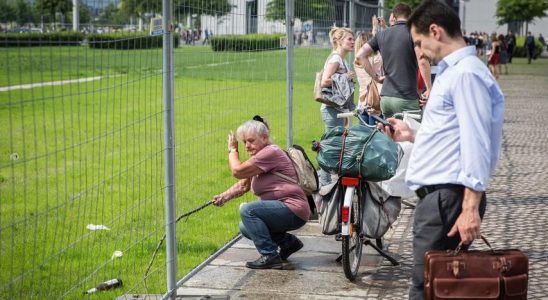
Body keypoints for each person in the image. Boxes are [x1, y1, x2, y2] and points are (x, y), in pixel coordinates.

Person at [377, 1, 504, 298]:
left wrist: (470, 208)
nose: (419, 51)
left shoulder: (465, 74)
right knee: (436, 286)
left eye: (419, 42)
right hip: (442, 198)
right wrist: (411, 134)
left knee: (426, 287)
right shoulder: (456, 72)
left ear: (435, 31)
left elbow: (476, 143)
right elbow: (453, 137)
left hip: (447, 198)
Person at [213, 116, 310, 269]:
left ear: (264, 138)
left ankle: (270, 255)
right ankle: (288, 243)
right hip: (285, 209)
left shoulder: (271, 152)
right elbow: (243, 185)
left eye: (251, 141)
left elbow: (237, 171)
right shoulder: (260, 158)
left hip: (293, 208)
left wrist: (232, 150)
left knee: (248, 210)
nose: (247, 146)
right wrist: (223, 197)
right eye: (244, 142)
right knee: (245, 226)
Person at [355, 3, 431, 119]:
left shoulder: (381, 35)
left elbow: (360, 55)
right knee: (412, 135)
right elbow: (422, 59)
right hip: (407, 97)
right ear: (410, 17)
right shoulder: (414, 33)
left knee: (390, 135)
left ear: (394, 18)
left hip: (386, 98)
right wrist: (429, 88)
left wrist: (375, 77)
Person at [320, 26, 355, 133]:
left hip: (338, 107)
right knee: (333, 145)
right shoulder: (335, 59)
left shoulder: (341, 59)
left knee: (339, 143)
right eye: (349, 39)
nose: (353, 42)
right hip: (331, 109)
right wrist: (345, 78)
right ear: (339, 41)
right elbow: (324, 82)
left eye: (353, 39)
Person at [353, 17, 385, 124]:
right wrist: (383, 27)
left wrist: (375, 27)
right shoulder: (375, 60)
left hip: (362, 104)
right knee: (376, 136)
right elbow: (385, 45)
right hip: (375, 103)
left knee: (364, 136)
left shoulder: (356, 62)